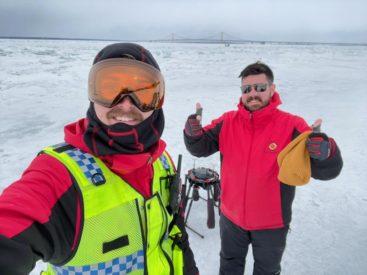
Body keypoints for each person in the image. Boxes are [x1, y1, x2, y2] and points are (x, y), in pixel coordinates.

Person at [0, 43, 198, 275]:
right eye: (110, 89)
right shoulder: (60, 175)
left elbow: (176, 234)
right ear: (92, 95)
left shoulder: (162, 161)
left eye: (142, 92)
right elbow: (13, 223)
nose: (125, 104)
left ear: (157, 100)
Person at [183, 62, 343, 275]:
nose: (252, 94)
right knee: (229, 266)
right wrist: (192, 133)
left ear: (272, 89)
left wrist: (325, 152)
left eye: (260, 88)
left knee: (267, 271)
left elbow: (326, 171)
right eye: (246, 89)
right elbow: (199, 147)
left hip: (272, 223)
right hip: (231, 218)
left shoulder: (292, 125)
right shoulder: (228, 122)